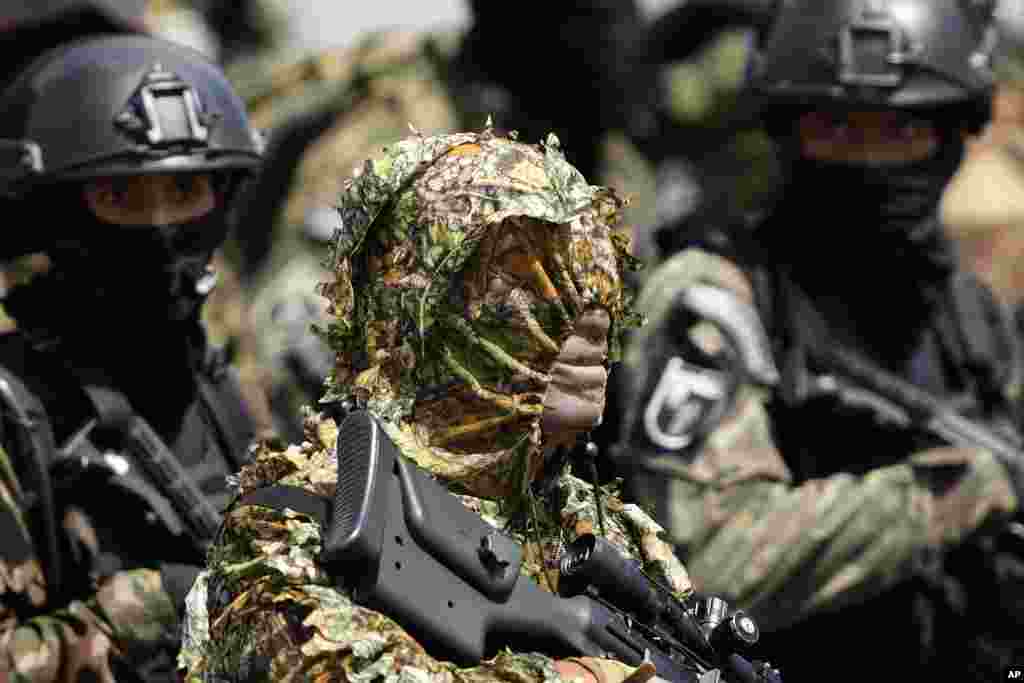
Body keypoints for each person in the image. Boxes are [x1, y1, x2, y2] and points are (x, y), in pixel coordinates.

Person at [176, 128, 719, 683]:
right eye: (530, 289)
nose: (587, 318)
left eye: (593, 279)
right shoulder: (299, 519)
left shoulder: (601, 534)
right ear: (429, 310)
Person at [613, 0, 1024, 681]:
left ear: (954, 132)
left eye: (899, 129)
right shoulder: (717, 297)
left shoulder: (971, 318)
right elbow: (710, 559)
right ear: (787, 129)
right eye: (837, 127)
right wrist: (953, 494)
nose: (868, 157)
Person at [0, 33, 263, 681]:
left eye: (184, 191)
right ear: (55, 214)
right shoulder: (14, 411)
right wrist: (154, 605)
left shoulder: (219, 376)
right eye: (120, 196)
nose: (160, 226)